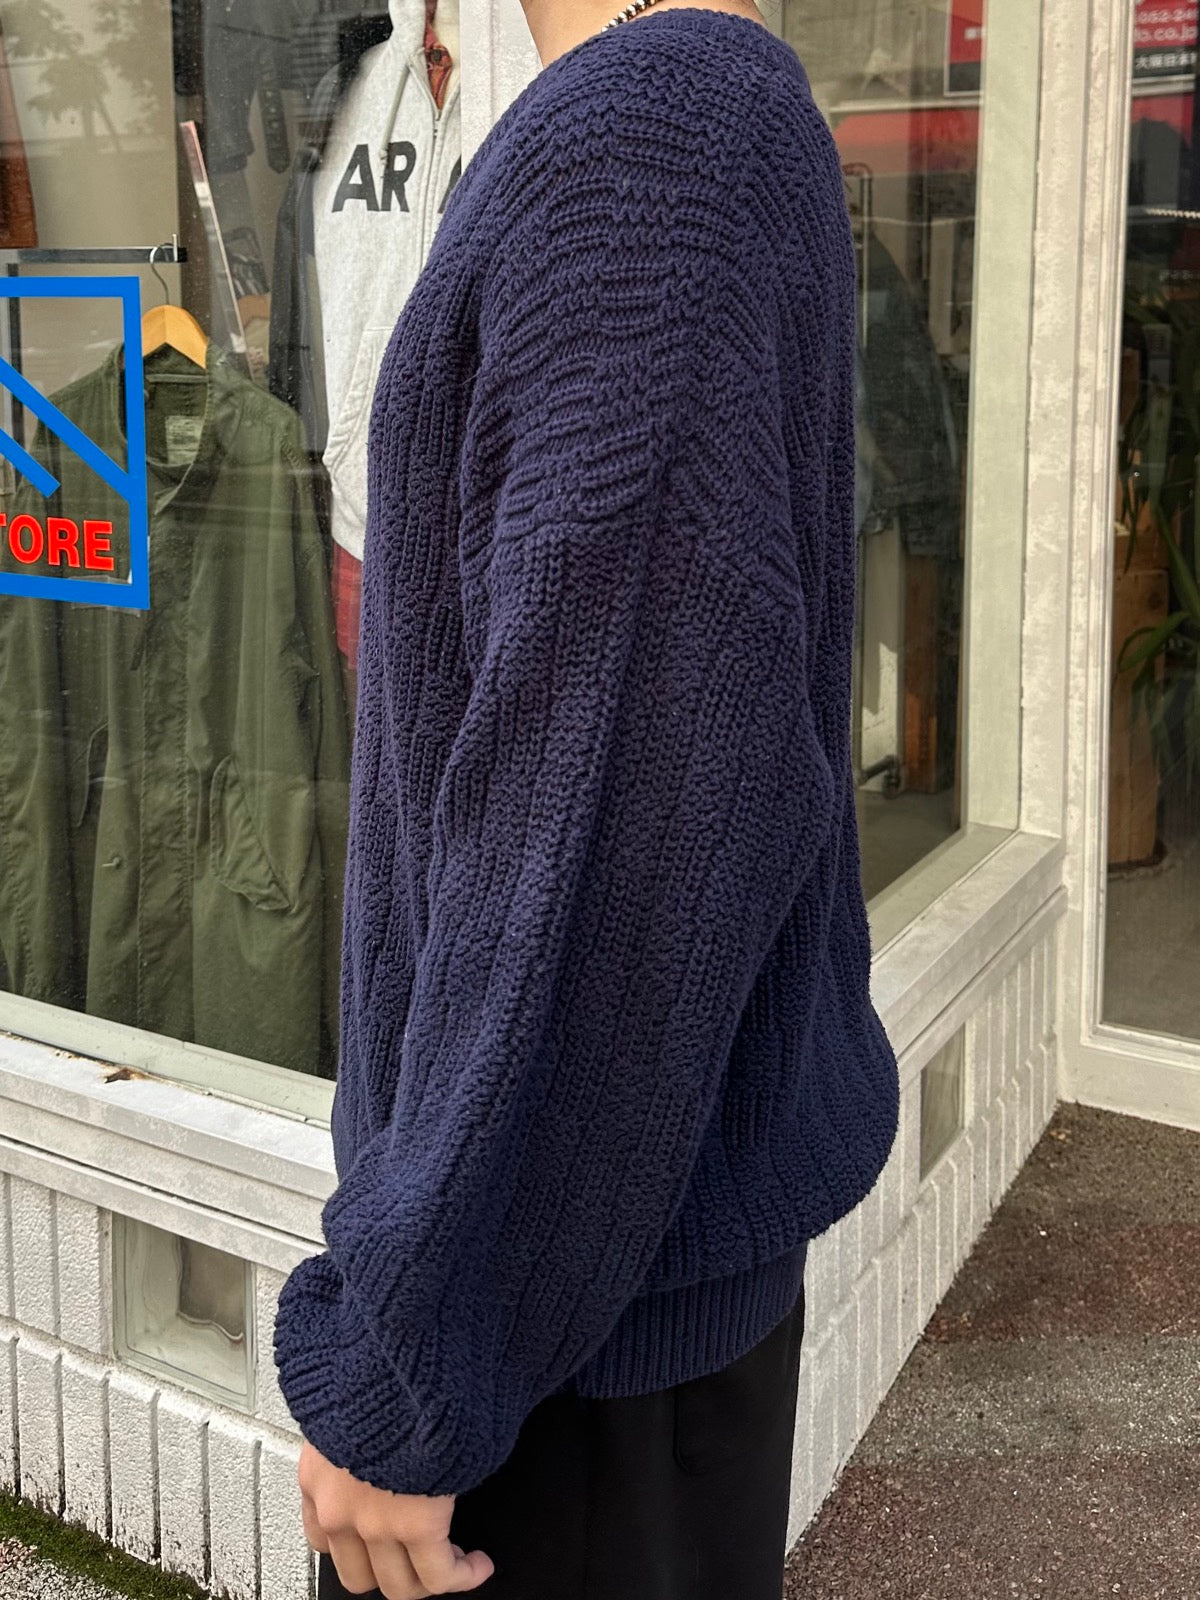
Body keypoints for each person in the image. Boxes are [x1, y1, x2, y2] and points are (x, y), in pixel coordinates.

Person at [271, 1, 901, 1596]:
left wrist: (413, 1360)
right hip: (595, 1312)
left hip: (562, 1361)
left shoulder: (655, 145)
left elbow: (620, 822)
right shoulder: (689, 119)